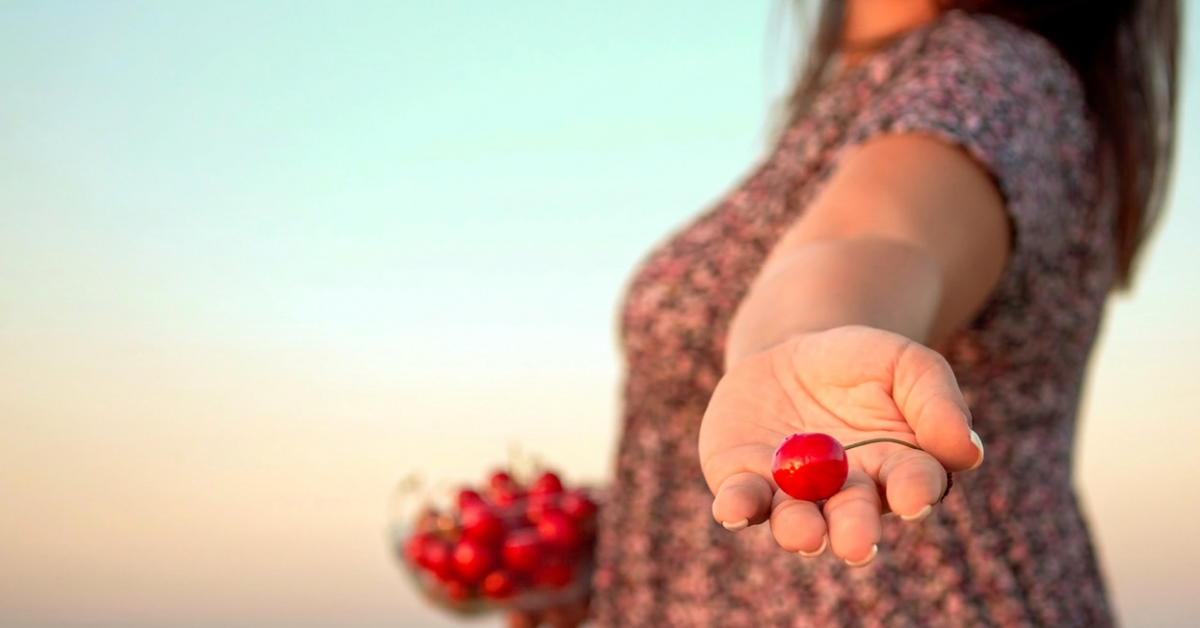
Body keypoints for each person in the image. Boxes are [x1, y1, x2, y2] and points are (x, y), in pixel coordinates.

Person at [511, 0, 1180, 626]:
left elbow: (875, 238)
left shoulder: (989, 76)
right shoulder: (881, 86)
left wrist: (806, 338)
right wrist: (632, 551)